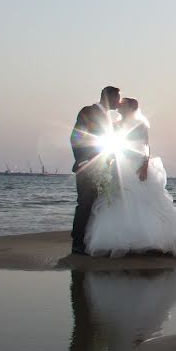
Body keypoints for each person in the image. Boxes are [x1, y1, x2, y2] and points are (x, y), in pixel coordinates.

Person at [84, 97, 176, 258]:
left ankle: (150, 239)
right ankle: (122, 238)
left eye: (122, 104)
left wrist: (145, 166)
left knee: (141, 200)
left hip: (136, 164)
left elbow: (146, 146)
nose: (118, 106)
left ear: (129, 108)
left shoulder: (140, 124)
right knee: (118, 199)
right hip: (120, 164)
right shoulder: (115, 125)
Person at [69, 86, 121, 255]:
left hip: (102, 167)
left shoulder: (107, 118)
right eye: (117, 98)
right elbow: (76, 136)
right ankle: (77, 243)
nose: (118, 102)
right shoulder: (88, 111)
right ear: (108, 98)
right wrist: (83, 159)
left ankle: (89, 240)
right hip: (87, 167)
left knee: (97, 204)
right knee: (85, 204)